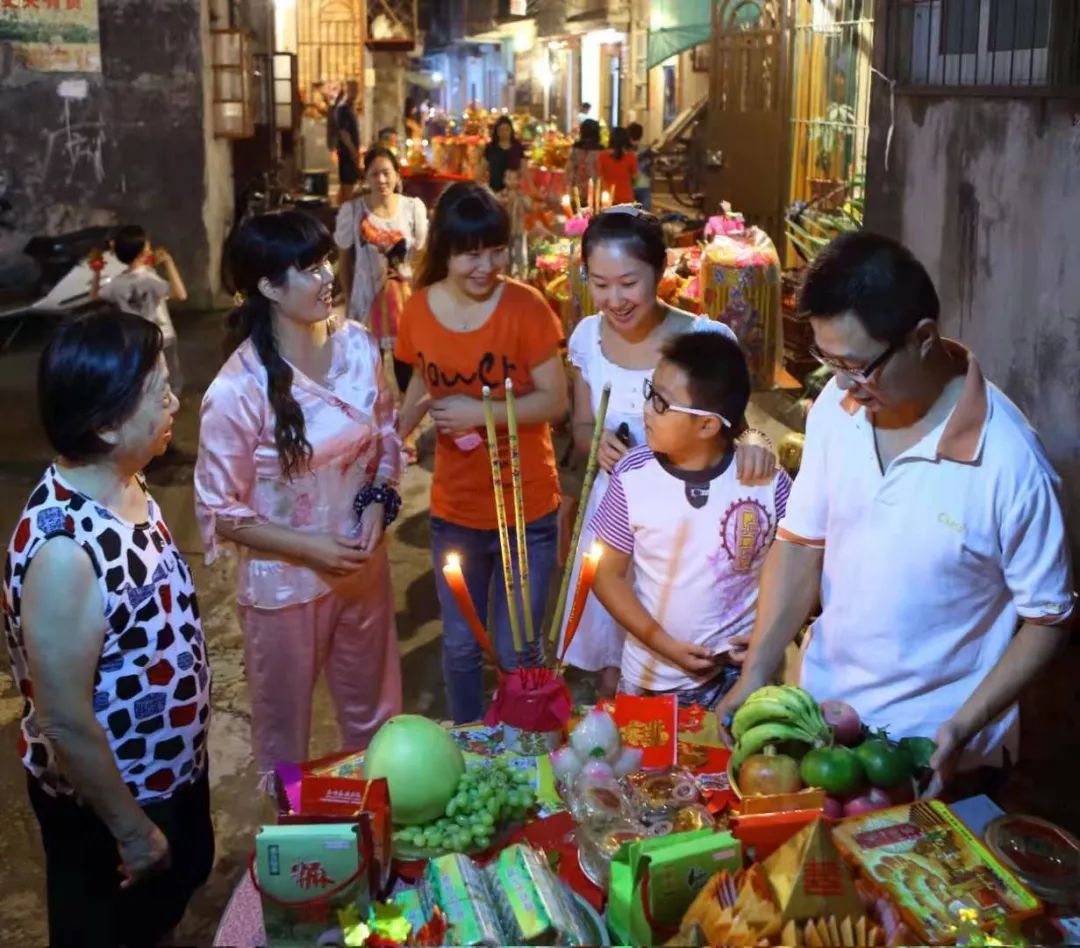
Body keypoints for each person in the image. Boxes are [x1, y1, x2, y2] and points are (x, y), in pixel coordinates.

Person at [715, 232, 1075, 798]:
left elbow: (1048, 619)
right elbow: (801, 543)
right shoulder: (838, 406)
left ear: (922, 338)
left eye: (856, 366)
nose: (840, 384)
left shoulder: (1009, 462)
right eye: (827, 361)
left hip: (928, 753)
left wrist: (960, 727)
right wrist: (760, 665)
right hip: (825, 725)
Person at [3, 309, 213, 945]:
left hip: (167, 773)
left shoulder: (122, 479)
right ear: (102, 422)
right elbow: (64, 719)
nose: (175, 400)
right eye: (157, 393)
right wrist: (129, 830)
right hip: (111, 804)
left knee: (164, 912)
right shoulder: (63, 552)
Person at [195, 210, 403, 780]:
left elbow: (385, 437)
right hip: (284, 587)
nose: (327, 278)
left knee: (378, 720)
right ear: (266, 286)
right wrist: (309, 548)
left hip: (363, 562)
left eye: (326, 262)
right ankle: (295, 844)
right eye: (308, 270)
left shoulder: (359, 345)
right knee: (285, 733)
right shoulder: (237, 390)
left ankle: (384, 818)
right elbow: (221, 510)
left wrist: (380, 503)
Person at [560, 207, 775, 697]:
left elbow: (735, 425)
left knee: (688, 632)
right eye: (600, 284)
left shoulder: (704, 340)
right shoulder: (587, 338)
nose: (614, 299)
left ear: (660, 271)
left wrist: (757, 443)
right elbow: (580, 426)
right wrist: (595, 443)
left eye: (628, 283)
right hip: (615, 512)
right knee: (615, 644)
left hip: (688, 523)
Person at [395, 182, 567, 724]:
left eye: (495, 250)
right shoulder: (418, 310)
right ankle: (470, 743)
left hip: (527, 509)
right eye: (471, 252)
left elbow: (555, 400)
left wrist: (478, 412)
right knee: (462, 647)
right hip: (457, 513)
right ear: (444, 249)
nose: (485, 265)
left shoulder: (526, 307)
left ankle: (522, 743)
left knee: (519, 649)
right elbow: (422, 381)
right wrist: (393, 436)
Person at [591, 332, 791, 706]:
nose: (647, 409)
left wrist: (771, 636)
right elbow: (605, 575)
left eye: (662, 404)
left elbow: (799, 570)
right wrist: (662, 644)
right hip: (653, 677)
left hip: (746, 682)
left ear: (707, 426)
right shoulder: (633, 475)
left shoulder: (767, 484)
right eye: (651, 392)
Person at [334, 145, 428, 403]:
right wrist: (350, 296)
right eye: (374, 174)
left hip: (404, 303)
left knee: (405, 366)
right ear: (366, 178)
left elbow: (422, 254)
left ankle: (405, 430)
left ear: (398, 175)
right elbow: (345, 259)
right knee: (368, 369)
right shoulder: (352, 212)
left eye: (387, 173)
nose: (382, 180)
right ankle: (372, 429)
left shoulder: (412, 209)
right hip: (366, 300)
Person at [92, 223, 187, 396]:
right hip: (162, 336)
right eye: (148, 244)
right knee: (170, 382)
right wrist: (168, 262)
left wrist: (97, 270)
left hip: (134, 340)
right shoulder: (150, 280)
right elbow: (181, 294)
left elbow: (95, 296)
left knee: (142, 381)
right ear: (143, 251)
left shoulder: (117, 283)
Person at [498, 167, 531, 279]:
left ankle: (521, 275)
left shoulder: (521, 195)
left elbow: (529, 206)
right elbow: (495, 203)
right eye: (509, 178)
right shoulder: (502, 195)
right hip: (506, 231)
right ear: (504, 180)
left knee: (518, 253)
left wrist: (523, 199)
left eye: (514, 179)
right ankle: (507, 274)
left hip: (518, 229)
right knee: (507, 253)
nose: (512, 181)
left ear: (519, 181)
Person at [482, 115, 526, 193]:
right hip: (494, 190)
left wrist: (532, 188)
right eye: (501, 130)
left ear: (511, 131)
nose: (504, 132)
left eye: (506, 130)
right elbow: (482, 168)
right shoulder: (491, 147)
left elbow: (524, 170)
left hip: (513, 192)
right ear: (497, 132)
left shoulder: (518, 147)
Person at [335, 80, 362, 205]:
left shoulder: (351, 108)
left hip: (351, 153)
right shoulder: (343, 109)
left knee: (348, 185)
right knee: (348, 185)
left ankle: (340, 210)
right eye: (353, 90)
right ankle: (345, 212)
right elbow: (344, 133)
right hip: (346, 154)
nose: (356, 93)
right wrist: (353, 152)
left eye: (357, 90)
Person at [597, 126, 638, 205]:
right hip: (627, 198)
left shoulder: (602, 156)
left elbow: (600, 177)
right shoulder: (631, 156)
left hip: (608, 199)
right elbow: (635, 177)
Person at [568, 118, 602, 197]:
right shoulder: (601, 150)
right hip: (596, 189)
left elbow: (570, 171)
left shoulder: (576, 148)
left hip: (578, 189)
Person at [627, 122, 653, 210]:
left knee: (630, 215)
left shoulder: (625, 151)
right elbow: (650, 168)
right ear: (641, 135)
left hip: (630, 187)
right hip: (644, 185)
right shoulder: (646, 150)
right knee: (645, 216)